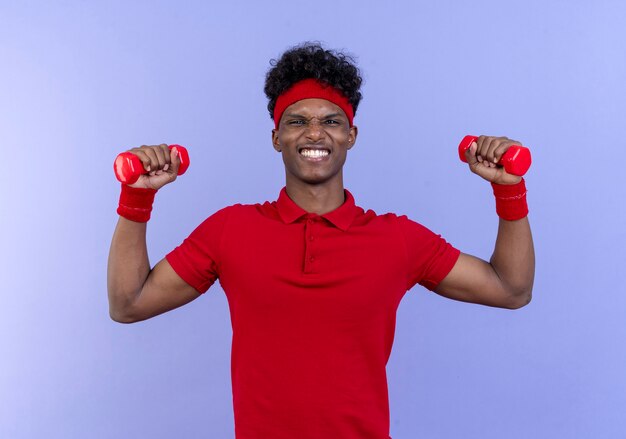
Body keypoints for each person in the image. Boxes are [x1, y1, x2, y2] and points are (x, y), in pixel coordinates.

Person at [107, 42, 535, 439]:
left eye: (331, 121)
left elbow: (510, 289)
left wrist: (509, 190)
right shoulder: (231, 230)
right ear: (277, 138)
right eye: (297, 121)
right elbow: (129, 304)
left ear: (351, 135)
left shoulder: (397, 239)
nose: (315, 133)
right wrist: (138, 196)